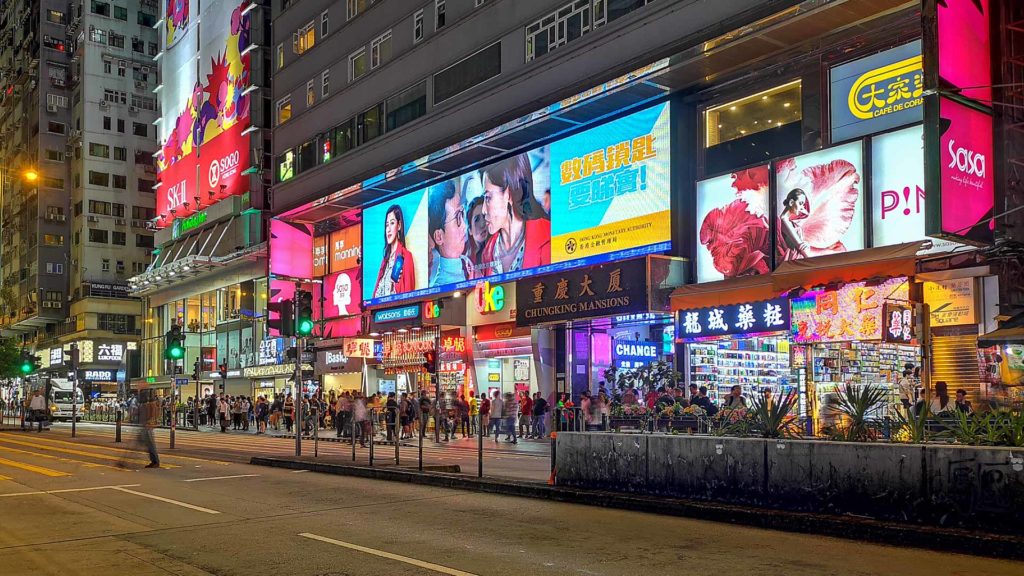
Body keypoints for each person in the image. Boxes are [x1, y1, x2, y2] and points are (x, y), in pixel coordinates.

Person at [476, 154, 550, 276]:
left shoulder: (548, 236)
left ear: (509, 194)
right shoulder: (488, 252)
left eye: (488, 198)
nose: (483, 210)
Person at [428, 179, 472, 286]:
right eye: (457, 218)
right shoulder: (439, 287)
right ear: (439, 237)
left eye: (462, 214)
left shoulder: (468, 265)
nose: (464, 225)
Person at [372, 205, 416, 298]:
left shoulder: (406, 256)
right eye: (386, 225)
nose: (388, 229)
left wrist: (394, 286)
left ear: (399, 225)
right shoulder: (384, 261)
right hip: (380, 311)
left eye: (392, 223)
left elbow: (409, 295)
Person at [777, 188, 811, 261]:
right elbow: (800, 246)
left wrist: (807, 244)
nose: (802, 207)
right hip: (796, 260)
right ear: (791, 202)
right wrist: (816, 263)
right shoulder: (784, 220)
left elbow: (801, 245)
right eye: (801, 203)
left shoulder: (787, 221)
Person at [465, 195, 488, 267]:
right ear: (470, 230)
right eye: (477, 220)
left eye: (485, 216)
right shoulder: (465, 263)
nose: (482, 224)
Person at [139, 394, 161, 468]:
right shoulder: (153, 406)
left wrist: (150, 423)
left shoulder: (151, 406)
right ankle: (154, 461)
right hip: (148, 427)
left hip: (148, 427)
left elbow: (152, 417)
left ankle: (155, 461)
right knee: (149, 445)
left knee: (151, 445)